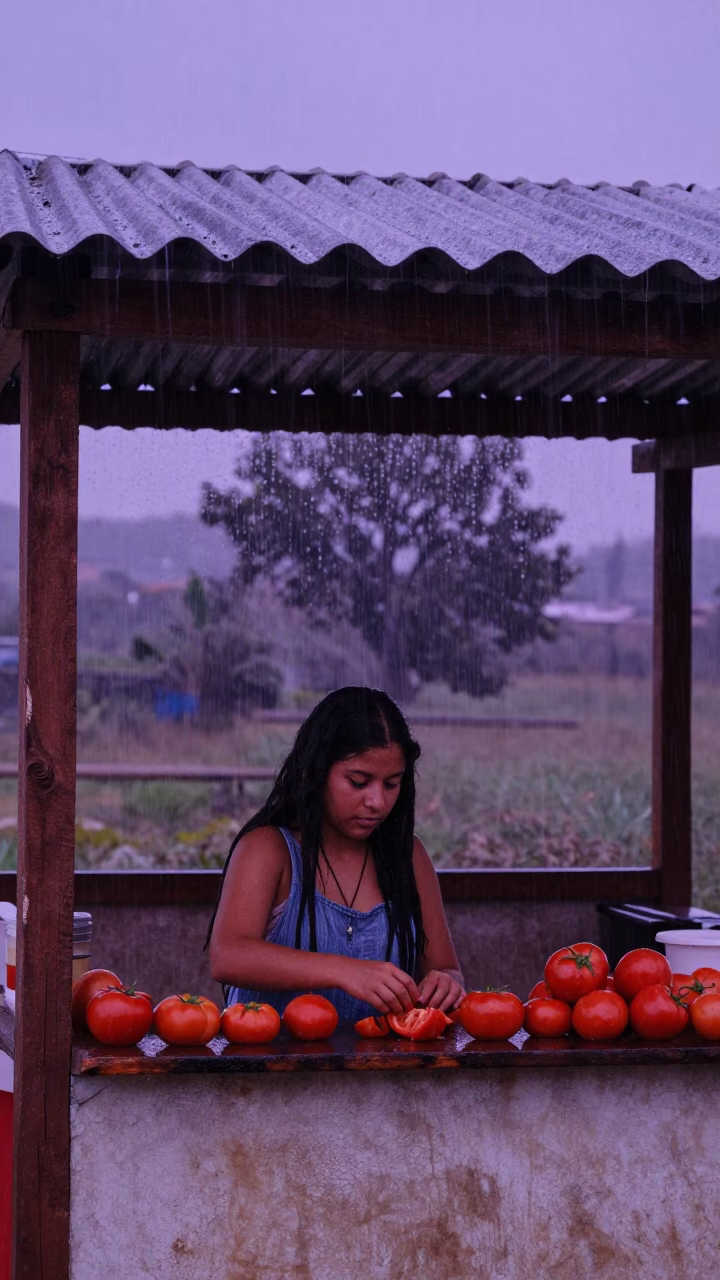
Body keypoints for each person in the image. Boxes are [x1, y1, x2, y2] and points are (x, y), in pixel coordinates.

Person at [208, 686, 465, 1023]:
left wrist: (446, 984)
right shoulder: (267, 849)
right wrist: (346, 971)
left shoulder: (409, 857)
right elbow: (228, 956)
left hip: (383, 1057)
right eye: (358, 782)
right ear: (315, 771)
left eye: (391, 784)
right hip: (267, 1056)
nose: (377, 801)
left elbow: (447, 969)